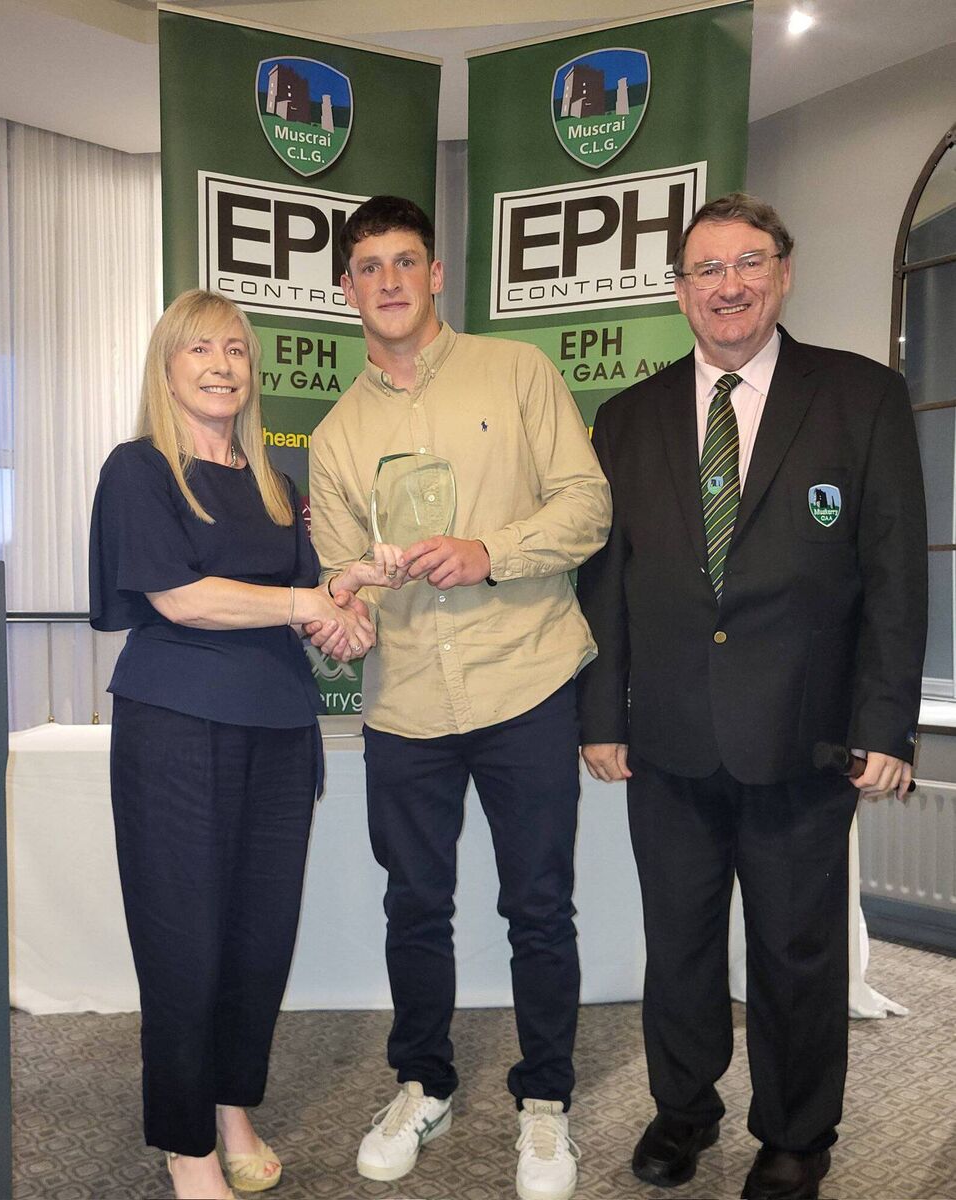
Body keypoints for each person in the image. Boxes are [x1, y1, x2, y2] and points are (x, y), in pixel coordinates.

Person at [576, 192, 927, 1200]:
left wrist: (884, 725)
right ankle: (682, 1110)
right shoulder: (627, 418)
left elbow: (894, 575)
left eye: (747, 263)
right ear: (679, 290)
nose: (726, 286)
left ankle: (795, 1135)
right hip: (668, 738)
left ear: (782, 272)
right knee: (677, 946)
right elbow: (605, 581)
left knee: (794, 951)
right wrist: (599, 716)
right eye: (705, 269)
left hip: (803, 738)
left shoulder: (860, 396)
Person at [306, 196, 611, 1200]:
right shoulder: (336, 436)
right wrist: (344, 607)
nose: (388, 281)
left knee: (538, 906)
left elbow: (587, 504)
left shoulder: (516, 372)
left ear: (435, 274)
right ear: (346, 289)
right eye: (368, 267)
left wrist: (489, 551)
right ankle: (422, 1082)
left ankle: (545, 1099)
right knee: (413, 905)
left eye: (405, 261)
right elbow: (342, 576)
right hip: (404, 703)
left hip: (524, 678)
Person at [89, 289, 402, 1200]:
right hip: (175, 732)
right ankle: (186, 1145)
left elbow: (306, 609)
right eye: (199, 350)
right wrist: (308, 601)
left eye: (234, 349)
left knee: (259, 941)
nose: (222, 365)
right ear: (167, 367)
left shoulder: (276, 485)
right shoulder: (140, 469)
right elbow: (181, 599)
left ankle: (231, 1109)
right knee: (183, 944)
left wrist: (347, 612)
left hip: (278, 730)